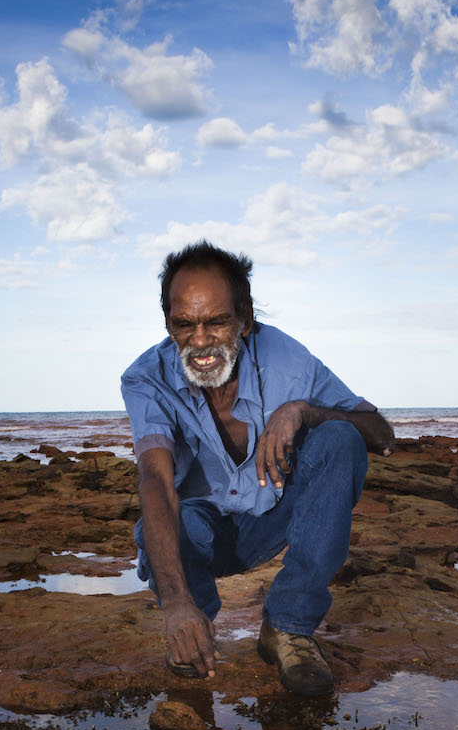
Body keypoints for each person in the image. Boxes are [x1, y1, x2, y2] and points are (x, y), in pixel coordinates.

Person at [120, 241, 395, 695]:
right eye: (184, 324)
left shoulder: (288, 361)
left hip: (277, 516)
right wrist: (176, 605)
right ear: (167, 322)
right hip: (203, 534)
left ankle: (287, 628)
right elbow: (155, 479)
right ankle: (196, 628)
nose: (201, 341)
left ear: (244, 318)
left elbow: (380, 434)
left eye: (217, 322)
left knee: (340, 436)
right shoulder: (146, 378)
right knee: (174, 518)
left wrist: (303, 412)